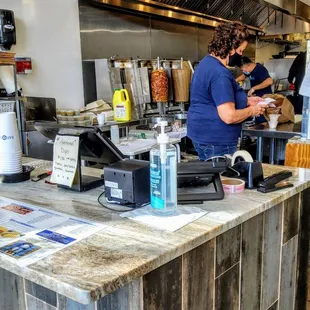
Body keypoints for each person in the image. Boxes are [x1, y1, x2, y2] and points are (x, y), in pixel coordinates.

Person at [187, 22, 266, 161]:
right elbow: (228, 116)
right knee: (223, 181)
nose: (240, 55)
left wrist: (246, 101)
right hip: (217, 141)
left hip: (203, 136)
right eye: (240, 51)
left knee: (213, 179)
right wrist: (253, 110)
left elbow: (215, 98)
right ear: (230, 47)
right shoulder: (220, 74)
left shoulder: (206, 63)